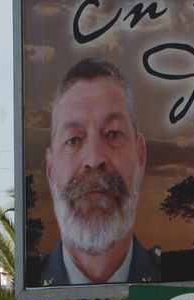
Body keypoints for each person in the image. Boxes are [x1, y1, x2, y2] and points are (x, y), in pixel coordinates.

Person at [38, 58, 161, 286]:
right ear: (51, 169)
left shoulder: (180, 286)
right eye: (74, 140)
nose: (94, 159)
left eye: (113, 134)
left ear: (141, 156)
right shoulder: (27, 286)